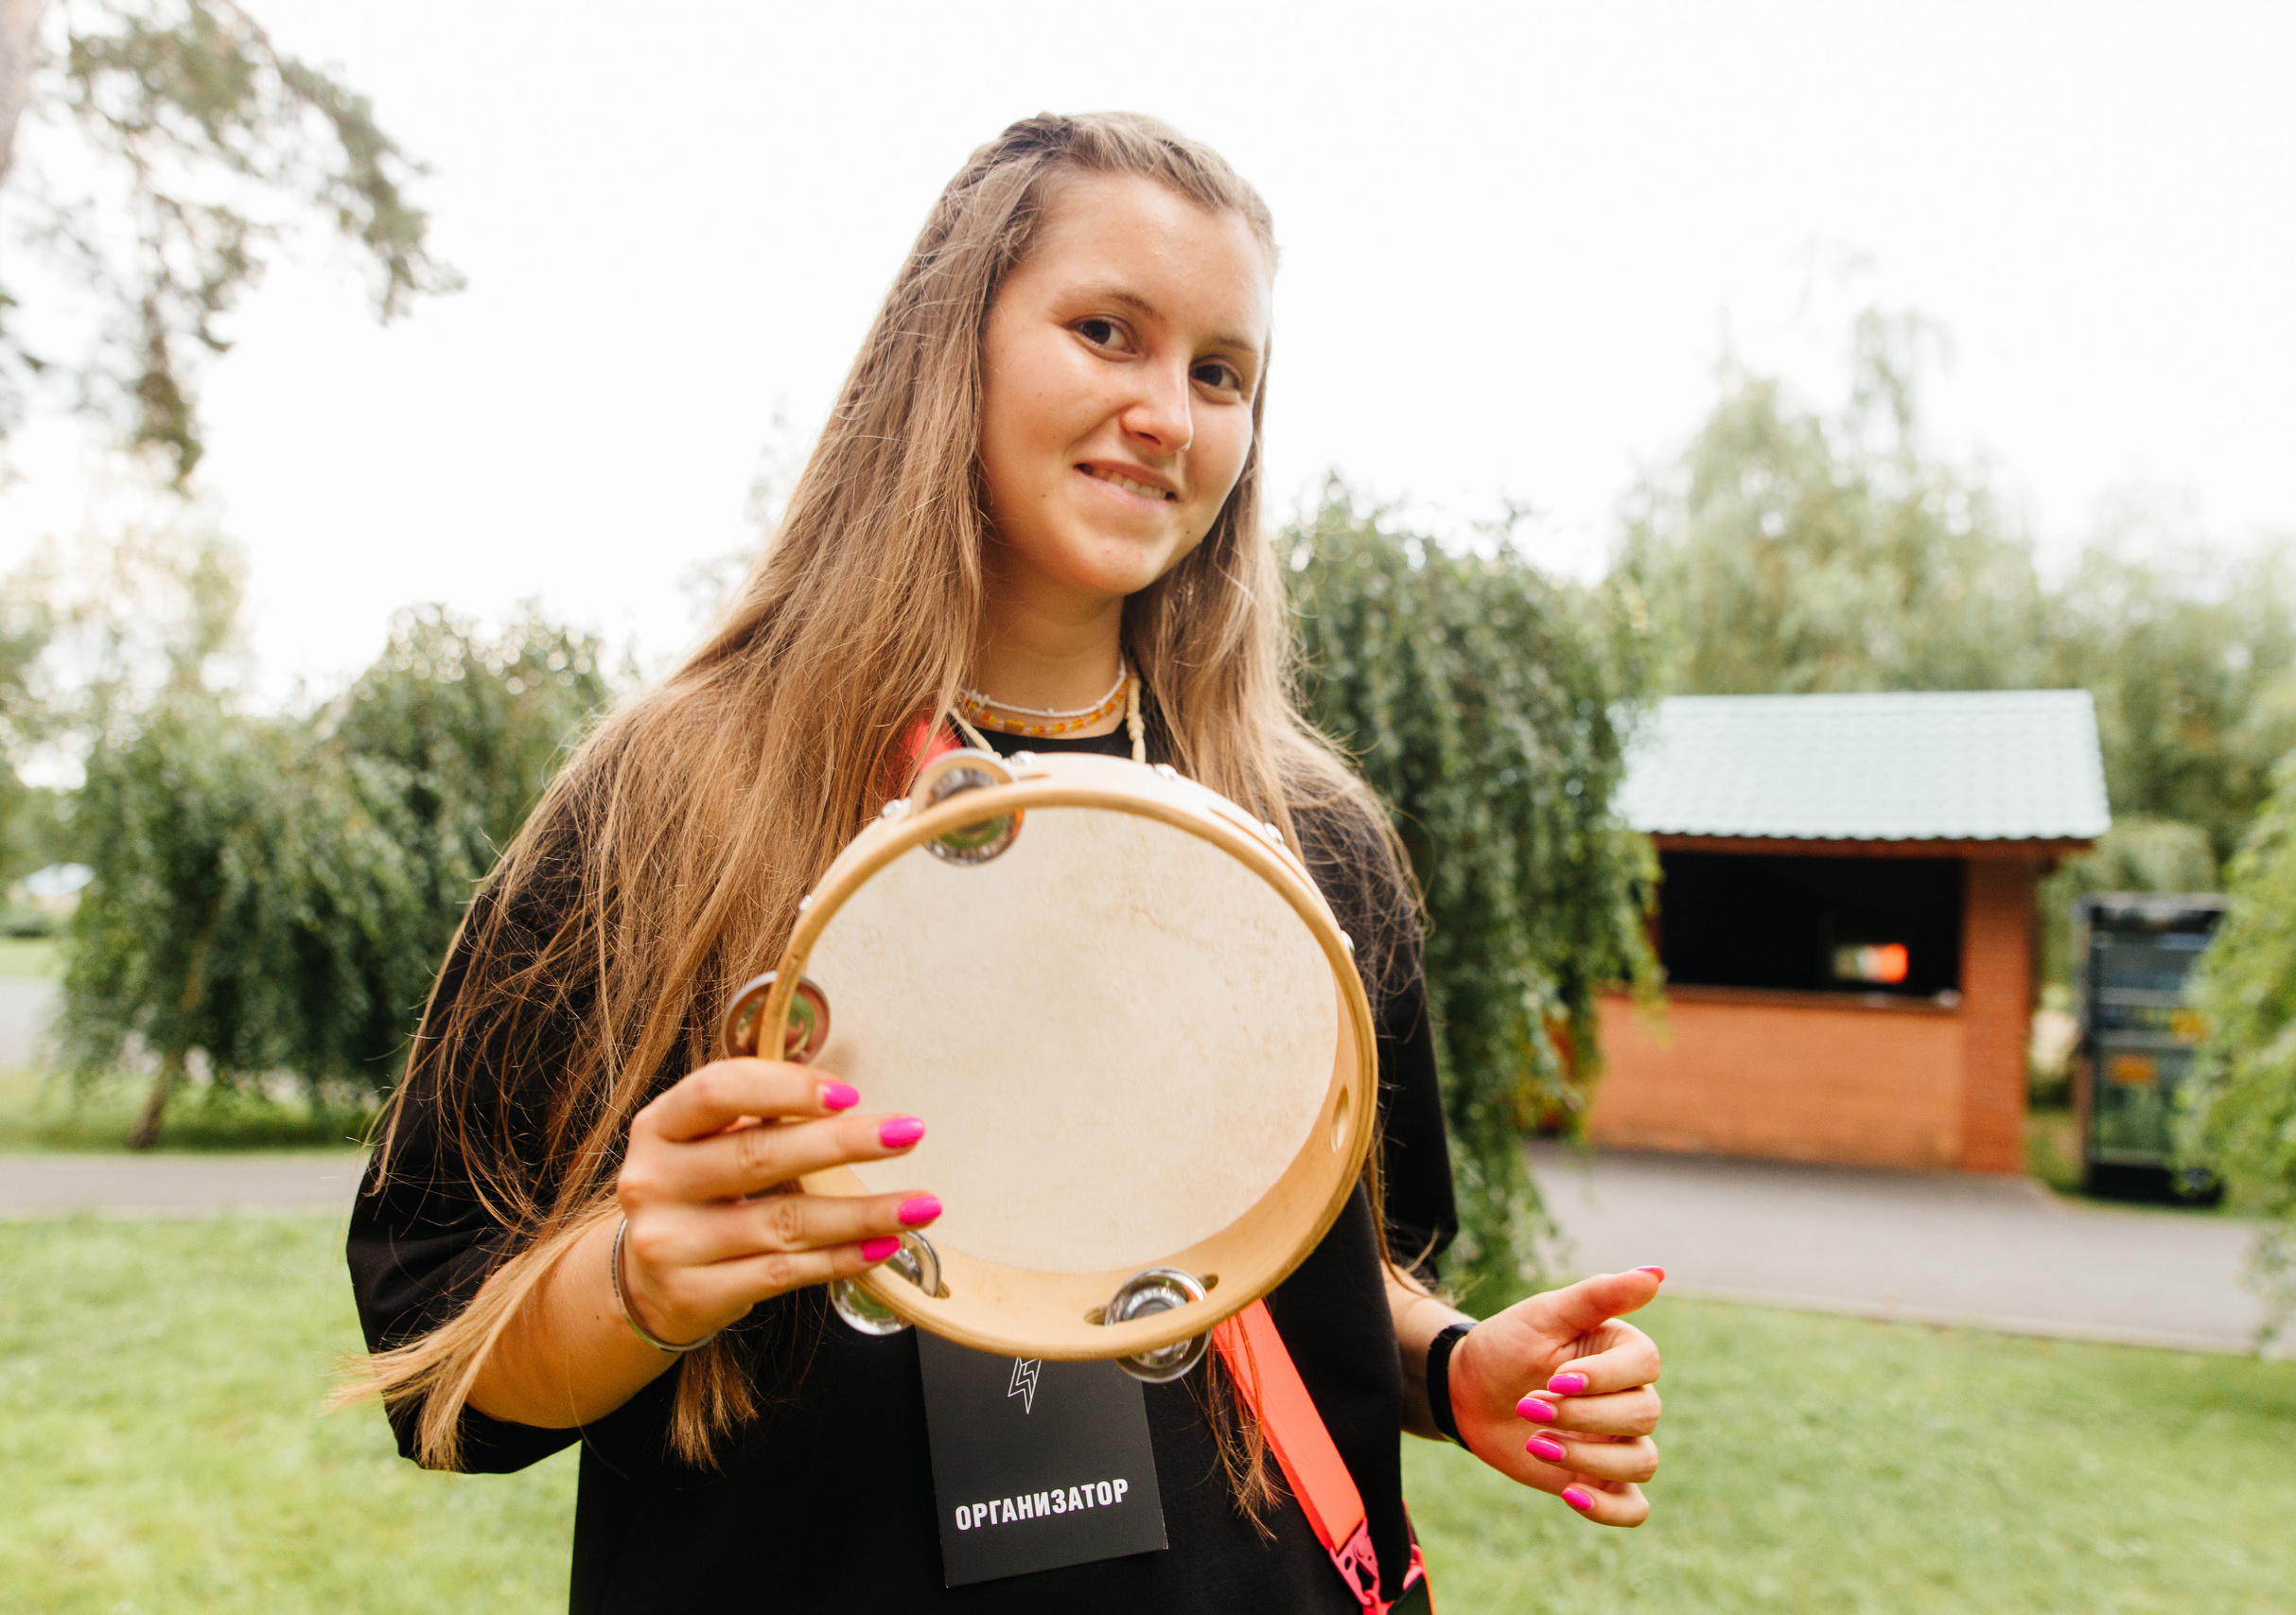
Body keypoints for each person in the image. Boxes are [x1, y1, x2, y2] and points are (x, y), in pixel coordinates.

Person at [344, 111, 1662, 1613]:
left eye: (1223, 373)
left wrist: (1446, 1363)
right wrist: (638, 1287)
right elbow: (434, 1355)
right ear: (947, 347)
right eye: (1110, 332)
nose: (1171, 412)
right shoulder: (676, 795)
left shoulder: (1313, 840)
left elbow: (1333, 1271)